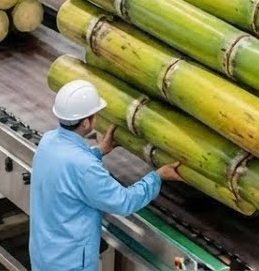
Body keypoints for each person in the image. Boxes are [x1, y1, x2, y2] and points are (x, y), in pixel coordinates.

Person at [29, 80, 182, 270]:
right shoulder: (84, 166)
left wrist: (99, 150)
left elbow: (69, 168)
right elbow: (124, 202)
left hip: (44, 256)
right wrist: (157, 176)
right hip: (70, 263)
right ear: (86, 122)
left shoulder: (48, 141)